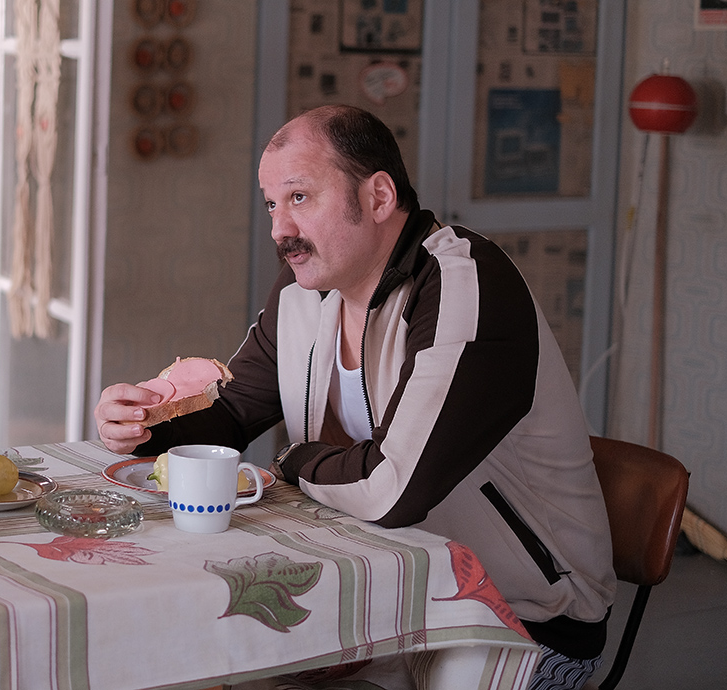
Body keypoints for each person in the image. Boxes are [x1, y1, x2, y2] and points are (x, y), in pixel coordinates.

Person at [94, 105, 615, 690]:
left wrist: (292, 461)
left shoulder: (465, 286)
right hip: (387, 593)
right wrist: (147, 423)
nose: (280, 230)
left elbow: (392, 487)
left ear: (378, 196)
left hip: (515, 617)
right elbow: (234, 411)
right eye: (271, 204)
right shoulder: (306, 290)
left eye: (299, 198)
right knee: (187, 661)